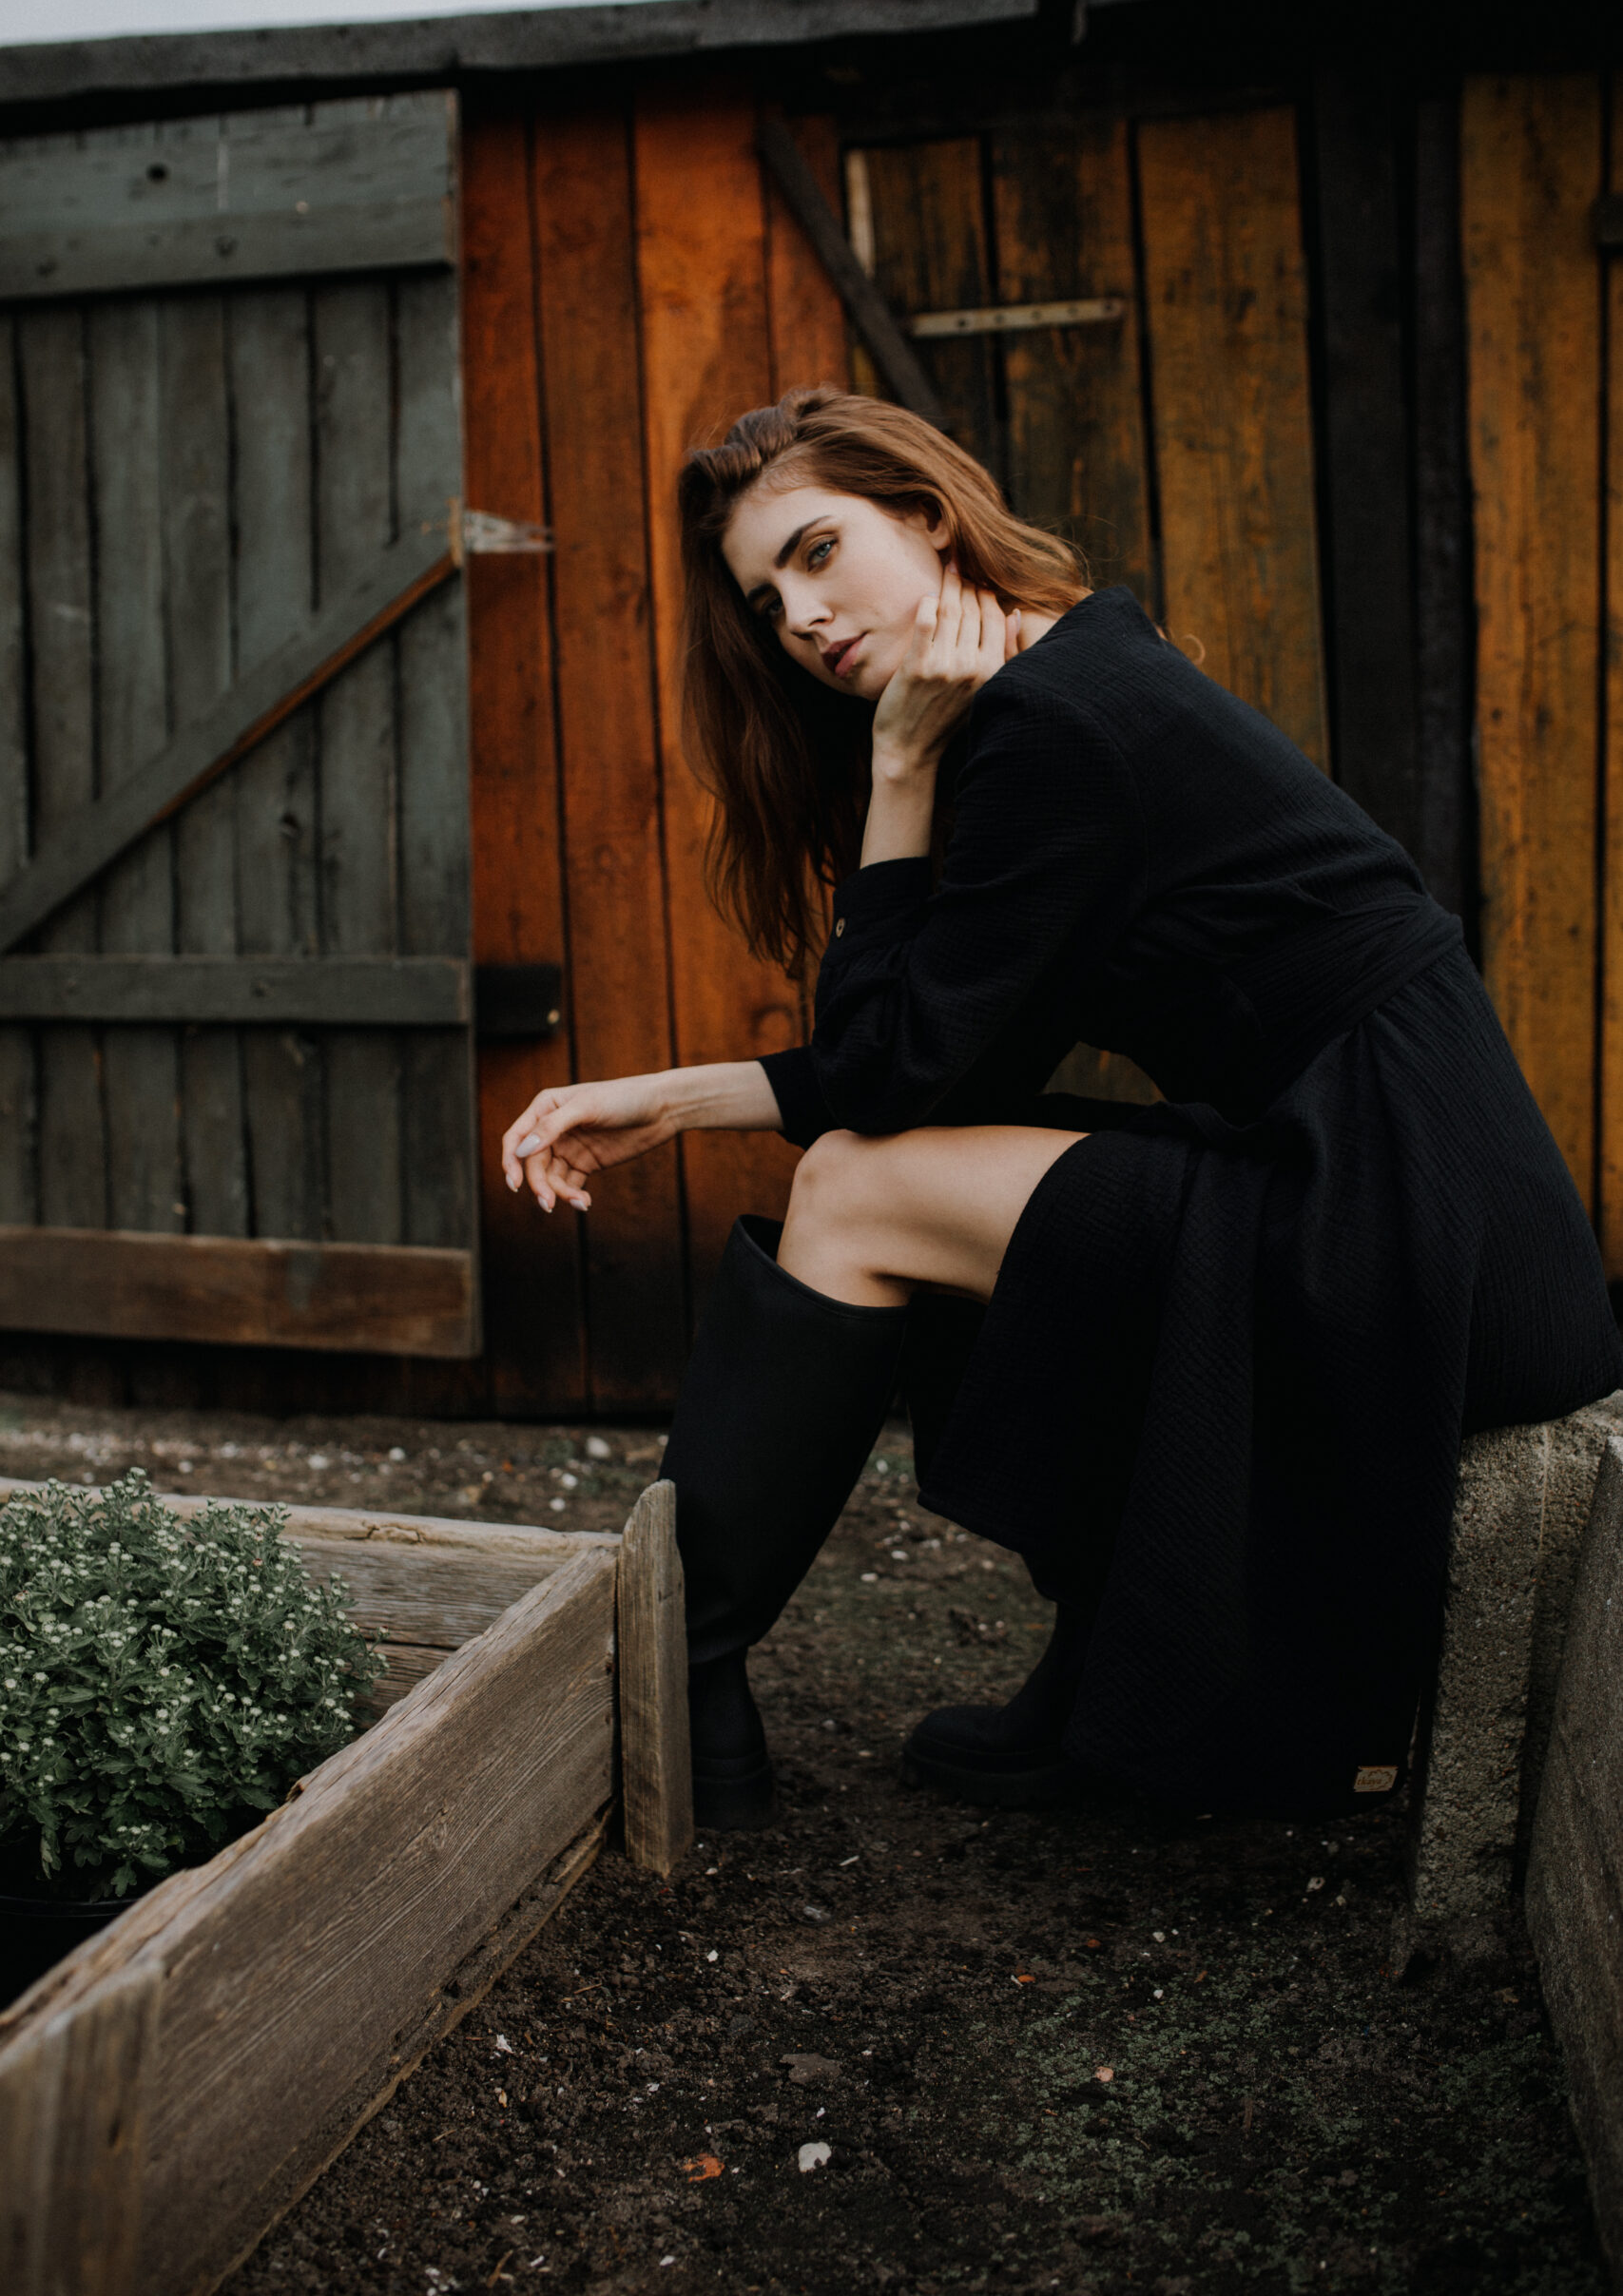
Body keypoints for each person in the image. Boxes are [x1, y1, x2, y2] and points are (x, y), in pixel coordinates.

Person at [501, 386, 1621, 1832]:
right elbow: (942, 1064)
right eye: (770, 600)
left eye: (820, 551)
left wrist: (898, 771)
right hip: (1390, 1197)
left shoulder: (1054, 723)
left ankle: (686, 1662)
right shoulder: (1070, 679)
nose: (804, 617)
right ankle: (1089, 1660)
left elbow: (889, 1081)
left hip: (1420, 1246)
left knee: (855, 1189)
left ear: (928, 518)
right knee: (911, 1168)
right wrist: (667, 1103)